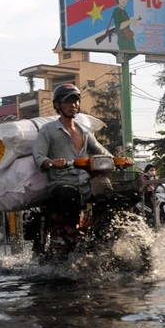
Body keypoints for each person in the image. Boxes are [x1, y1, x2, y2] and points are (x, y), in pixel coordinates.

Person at [32, 83, 121, 236]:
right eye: (67, 101)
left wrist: (117, 160)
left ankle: (102, 233)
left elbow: (101, 151)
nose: (72, 105)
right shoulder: (49, 130)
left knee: (109, 197)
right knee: (69, 195)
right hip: (62, 183)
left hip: (86, 183)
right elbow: (39, 156)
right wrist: (52, 162)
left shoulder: (84, 131)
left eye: (75, 101)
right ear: (57, 105)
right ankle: (72, 231)